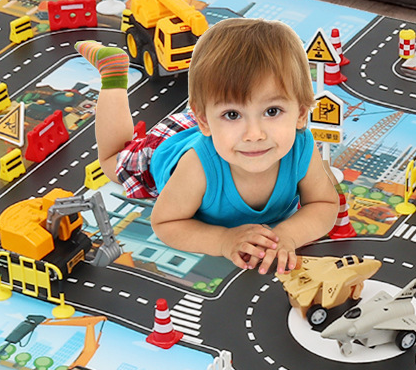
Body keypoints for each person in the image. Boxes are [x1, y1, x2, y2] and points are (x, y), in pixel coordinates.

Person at [76, 17, 339, 274]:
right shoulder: (196, 168)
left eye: (272, 111)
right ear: (204, 120)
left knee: (227, 112)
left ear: (301, 113)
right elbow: (166, 222)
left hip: (219, 131)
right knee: (112, 161)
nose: (254, 134)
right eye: (233, 114)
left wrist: (287, 235)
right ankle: (113, 74)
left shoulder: (302, 146)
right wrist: (223, 240)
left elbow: (324, 204)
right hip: (169, 143)